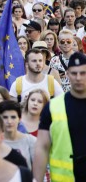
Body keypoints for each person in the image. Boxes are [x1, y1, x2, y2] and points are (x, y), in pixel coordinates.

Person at [33, 52, 86, 181]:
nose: (78, 77)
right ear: (67, 74)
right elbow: (42, 147)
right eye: (74, 73)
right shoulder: (53, 106)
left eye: (83, 73)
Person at [0, 101, 36, 169]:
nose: (9, 121)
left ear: (19, 119)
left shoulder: (31, 141)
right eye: (5, 117)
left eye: (13, 117)